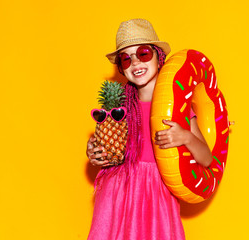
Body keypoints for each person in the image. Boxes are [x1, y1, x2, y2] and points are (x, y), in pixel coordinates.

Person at [86, 18, 213, 240]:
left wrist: (185, 136)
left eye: (143, 54)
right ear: (121, 68)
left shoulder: (177, 107)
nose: (135, 63)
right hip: (117, 196)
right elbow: (107, 148)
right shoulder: (119, 108)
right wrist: (94, 152)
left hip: (155, 197)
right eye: (126, 59)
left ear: (158, 57)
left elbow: (206, 159)